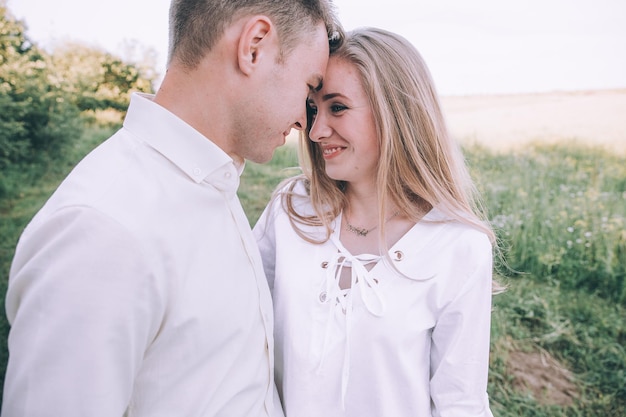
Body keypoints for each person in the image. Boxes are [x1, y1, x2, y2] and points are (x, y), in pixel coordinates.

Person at [2, 1, 343, 416]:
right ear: (254, 47)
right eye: (309, 87)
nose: (305, 122)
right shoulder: (101, 229)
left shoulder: (211, 181)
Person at [253, 27, 498, 416]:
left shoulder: (459, 246)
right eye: (313, 109)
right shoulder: (290, 211)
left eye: (337, 107)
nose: (316, 132)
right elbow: (240, 338)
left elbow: (459, 402)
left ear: (396, 113)